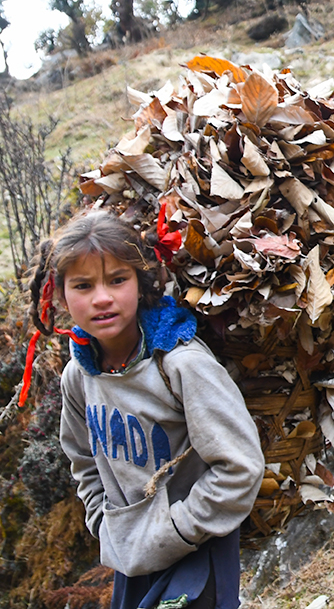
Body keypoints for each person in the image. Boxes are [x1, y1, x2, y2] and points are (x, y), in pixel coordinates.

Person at [43, 211, 264, 609]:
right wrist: (106, 524)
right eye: (82, 285)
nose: (102, 297)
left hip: (198, 552)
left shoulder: (182, 366)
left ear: (142, 284)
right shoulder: (79, 376)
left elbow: (240, 466)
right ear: (62, 297)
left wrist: (177, 530)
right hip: (131, 556)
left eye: (117, 280)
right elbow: (82, 460)